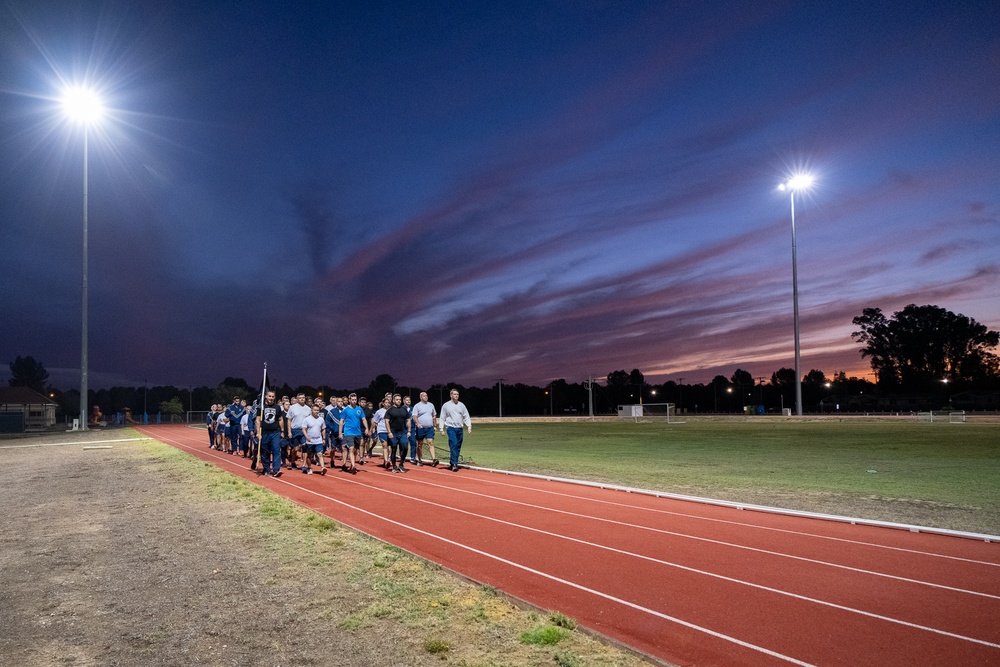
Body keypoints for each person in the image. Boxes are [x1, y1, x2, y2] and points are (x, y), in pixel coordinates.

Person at [439, 388, 472, 471]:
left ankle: (452, 461)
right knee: (453, 444)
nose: (456, 396)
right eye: (454, 394)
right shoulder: (446, 405)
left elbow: (466, 416)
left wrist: (469, 426)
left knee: (458, 446)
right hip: (451, 428)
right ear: (451, 395)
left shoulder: (461, 405)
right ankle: (454, 464)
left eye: (457, 394)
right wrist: (441, 428)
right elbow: (442, 417)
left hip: (459, 428)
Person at [255, 390, 285, 477]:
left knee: (276, 450)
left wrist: (282, 431)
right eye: (269, 396)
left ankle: (276, 469)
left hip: (275, 432)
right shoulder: (261, 407)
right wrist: (258, 433)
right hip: (264, 432)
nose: (271, 398)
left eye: (273, 396)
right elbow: (257, 420)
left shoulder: (277, 407)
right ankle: (266, 469)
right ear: (266, 397)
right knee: (265, 451)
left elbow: (280, 419)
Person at [338, 393, 368, 474]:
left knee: (355, 450)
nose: (354, 401)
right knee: (351, 449)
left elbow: (364, 419)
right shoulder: (346, 410)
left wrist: (366, 428)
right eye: (352, 400)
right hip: (348, 432)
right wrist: (340, 433)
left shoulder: (359, 409)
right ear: (349, 400)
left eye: (355, 400)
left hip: (357, 432)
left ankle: (352, 463)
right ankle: (353, 465)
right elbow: (341, 421)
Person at [384, 394, 411, 473]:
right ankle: (394, 465)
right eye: (397, 399)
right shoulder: (390, 410)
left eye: (400, 399)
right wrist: (389, 432)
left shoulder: (404, 409)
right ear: (393, 400)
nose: (399, 401)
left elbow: (408, 420)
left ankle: (401, 464)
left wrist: (409, 431)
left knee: (405, 447)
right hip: (393, 432)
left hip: (402, 432)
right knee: (394, 449)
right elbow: (386, 421)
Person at [412, 391, 439, 466]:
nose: (426, 397)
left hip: (429, 428)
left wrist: (435, 425)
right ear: (420, 397)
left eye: (426, 395)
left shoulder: (431, 405)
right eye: (424, 396)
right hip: (421, 428)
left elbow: (434, 415)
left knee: (430, 442)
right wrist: (418, 424)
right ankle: (419, 460)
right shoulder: (417, 406)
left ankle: (434, 459)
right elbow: (414, 416)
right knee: (420, 444)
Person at [286, 393, 312, 469]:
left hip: (304, 430)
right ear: (297, 399)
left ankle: (304, 465)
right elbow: (289, 420)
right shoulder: (292, 408)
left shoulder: (308, 408)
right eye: (300, 398)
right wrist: (289, 431)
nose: (302, 399)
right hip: (295, 430)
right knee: (296, 448)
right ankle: (293, 461)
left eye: (303, 397)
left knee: (305, 447)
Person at [301, 404, 327, 475]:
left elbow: (323, 429)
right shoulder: (307, 419)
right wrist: (306, 436)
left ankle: (323, 467)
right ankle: (309, 468)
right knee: (309, 455)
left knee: (320, 454)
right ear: (311, 410)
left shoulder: (321, 419)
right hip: (310, 441)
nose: (316, 412)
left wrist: (324, 438)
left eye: (317, 410)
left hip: (318, 440)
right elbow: (303, 429)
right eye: (315, 410)